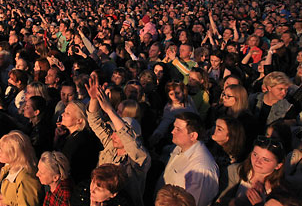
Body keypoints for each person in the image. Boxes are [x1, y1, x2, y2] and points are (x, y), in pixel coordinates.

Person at [86, 74, 151, 206]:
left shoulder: (139, 160)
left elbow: (129, 140)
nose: (113, 136)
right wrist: (94, 99)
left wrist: (110, 111)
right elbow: (95, 121)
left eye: (119, 134)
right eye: (115, 132)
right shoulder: (111, 145)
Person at [156, 112, 219, 206]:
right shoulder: (179, 147)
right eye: (174, 127)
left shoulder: (201, 169)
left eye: (178, 129)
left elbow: (195, 202)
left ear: (193, 136)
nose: (172, 131)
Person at [216, 136, 287, 205]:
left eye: (265, 159)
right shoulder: (235, 171)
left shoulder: (282, 190)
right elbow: (218, 200)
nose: (257, 161)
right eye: (255, 155)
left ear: (278, 165)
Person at [0, 130, 43, 206]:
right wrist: (2, 197)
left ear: (13, 154)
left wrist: (5, 201)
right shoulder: (9, 168)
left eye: (2, 150)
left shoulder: (26, 178)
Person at [54, 100, 101, 184]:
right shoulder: (70, 135)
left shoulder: (80, 141)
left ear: (79, 120)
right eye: (64, 111)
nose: (62, 115)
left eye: (67, 113)